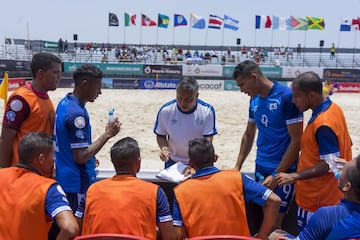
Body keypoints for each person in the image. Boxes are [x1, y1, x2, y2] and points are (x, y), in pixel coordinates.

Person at [275, 71, 352, 231]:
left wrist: (294, 176)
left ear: (311, 96)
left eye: (296, 96)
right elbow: (347, 141)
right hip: (332, 196)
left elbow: (329, 164)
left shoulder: (323, 123)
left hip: (317, 199)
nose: (293, 100)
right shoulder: (334, 109)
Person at [232, 60, 303, 228]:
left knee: (274, 224)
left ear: (254, 77)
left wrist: (276, 174)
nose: (242, 90)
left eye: (242, 85)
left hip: (282, 170)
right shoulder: (254, 100)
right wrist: (237, 167)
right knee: (262, 220)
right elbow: (249, 135)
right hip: (260, 166)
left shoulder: (285, 97)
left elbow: (296, 140)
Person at [53, 64, 121, 230]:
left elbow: (71, 145)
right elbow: (81, 156)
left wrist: (92, 156)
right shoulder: (77, 114)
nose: (100, 92)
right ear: (85, 84)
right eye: (97, 87)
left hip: (64, 176)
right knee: (76, 230)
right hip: (77, 183)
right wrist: (107, 135)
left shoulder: (65, 102)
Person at [173, 138, 281, 240]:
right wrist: (262, 235)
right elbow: (274, 200)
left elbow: (178, 234)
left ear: (190, 163)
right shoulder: (236, 178)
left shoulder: (180, 191)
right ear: (215, 158)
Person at [82, 137, 175, 240]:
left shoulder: (92, 191)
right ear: (138, 162)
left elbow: (75, 227)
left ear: (114, 163)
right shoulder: (154, 192)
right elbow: (169, 236)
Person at [0, 132, 78, 239]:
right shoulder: (48, 188)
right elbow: (70, 228)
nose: (54, 158)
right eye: (52, 154)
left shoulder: (2, 175)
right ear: (41, 158)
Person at [270, 155, 360, 240]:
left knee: (275, 235)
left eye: (344, 169)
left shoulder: (328, 216)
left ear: (346, 186)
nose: (342, 168)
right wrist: (353, 172)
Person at [0, 52, 62, 168]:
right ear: (41, 74)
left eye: (60, 72)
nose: (59, 77)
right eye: (56, 72)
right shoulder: (21, 99)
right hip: (23, 173)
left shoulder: (45, 98)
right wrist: (4, 173)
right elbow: (6, 138)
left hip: (41, 172)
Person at [154, 76, 217, 168]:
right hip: (173, 161)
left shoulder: (207, 111)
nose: (183, 103)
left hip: (197, 161)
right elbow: (161, 135)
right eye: (179, 98)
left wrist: (196, 162)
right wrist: (164, 149)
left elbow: (207, 141)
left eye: (188, 99)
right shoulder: (166, 111)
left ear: (197, 96)